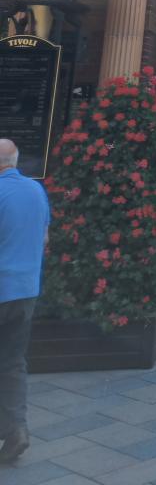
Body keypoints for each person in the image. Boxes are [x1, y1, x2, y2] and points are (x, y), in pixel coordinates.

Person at [0, 139, 51, 464]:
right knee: (12, 361)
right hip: (25, 291)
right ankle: (16, 428)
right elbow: (44, 237)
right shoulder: (36, 191)